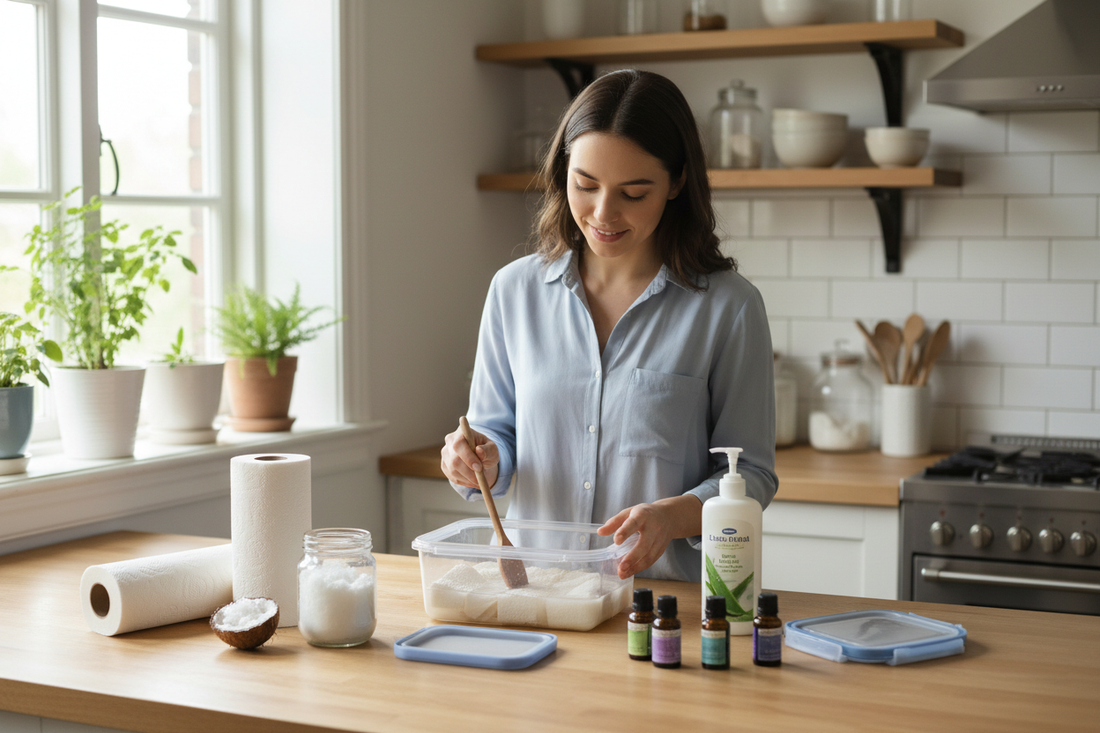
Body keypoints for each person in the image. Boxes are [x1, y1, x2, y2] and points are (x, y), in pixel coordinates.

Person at [441, 69, 777, 582]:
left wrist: (674, 515)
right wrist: (478, 461)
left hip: (661, 605)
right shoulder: (514, 292)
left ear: (677, 182)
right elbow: (496, 436)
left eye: (634, 193)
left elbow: (750, 474)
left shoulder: (729, 309)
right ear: (563, 173)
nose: (603, 213)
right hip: (538, 592)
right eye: (585, 185)